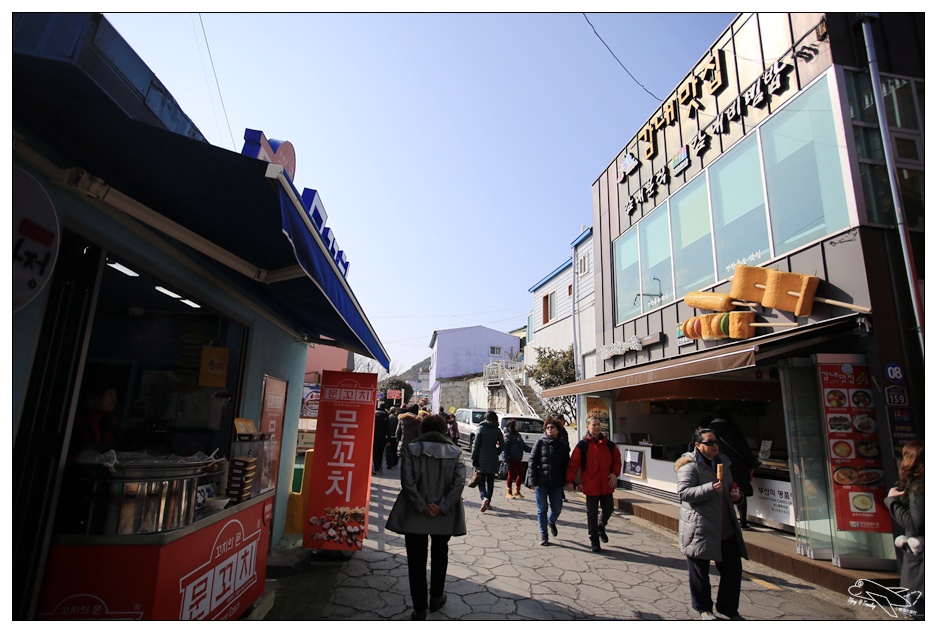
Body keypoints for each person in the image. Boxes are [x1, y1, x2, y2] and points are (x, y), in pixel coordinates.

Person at [385, 414, 467, 620]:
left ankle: (419, 608)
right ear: (443, 429)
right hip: (444, 515)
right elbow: (459, 483)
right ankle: (437, 597)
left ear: (423, 429)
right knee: (440, 554)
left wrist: (422, 505)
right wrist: (442, 506)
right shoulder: (456, 452)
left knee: (416, 560)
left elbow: (407, 482)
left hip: (414, 513)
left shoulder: (411, 449)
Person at [675, 427, 749, 621]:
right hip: (700, 527)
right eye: (709, 442)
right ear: (698, 445)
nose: (714, 445)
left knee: (733, 571)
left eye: (715, 442)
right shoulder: (689, 465)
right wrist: (710, 488)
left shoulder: (723, 462)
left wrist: (736, 496)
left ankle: (729, 608)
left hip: (726, 527)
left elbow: (730, 489)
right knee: (700, 573)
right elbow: (683, 493)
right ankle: (704, 609)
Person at [565, 416, 621, 553]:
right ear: (588, 427)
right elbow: (573, 464)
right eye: (593, 425)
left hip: (607, 484)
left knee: (608, 509)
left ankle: (601, 525)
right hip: (591, 485)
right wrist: (570, 481)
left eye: (598, 424)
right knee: (592, 514)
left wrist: (615, 473)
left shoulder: (609, 444)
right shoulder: (583, 445)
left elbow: (617, 461)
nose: (597, 427)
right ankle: (594, 540)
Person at [884, 440, 924, 620]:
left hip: (920, 566)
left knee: (916, 613)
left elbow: (915, 524)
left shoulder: (919, 488)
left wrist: (892, 502)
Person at [708, 411, 760, 529]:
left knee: (719, 491)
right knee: (738, 491)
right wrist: (751, 463)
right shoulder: (732, 428)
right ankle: (743, 521)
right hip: (736, 466)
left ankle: (723, 521)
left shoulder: (708, 431)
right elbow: (743, 447)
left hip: (715, 465)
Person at [528, 418, 570, 545]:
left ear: (558, 430)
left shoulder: (563, 445)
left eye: (552, 427)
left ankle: (551, 521)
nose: (550, 430)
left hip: (556, 483)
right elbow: (532, 461)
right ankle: (543, 535)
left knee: (557, 508)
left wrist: (568, 481)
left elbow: (567, 464)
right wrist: (532, 481)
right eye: (548, 428)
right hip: (541, 482)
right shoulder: (540, 443)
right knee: (542, 509)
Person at [71, 380, 121, 454]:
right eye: (109, 393)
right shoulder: (74, 421)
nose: (114, 399)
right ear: (92, 398)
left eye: (115, 394)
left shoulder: (112, 422)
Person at [471, 410, 504, 513]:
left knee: (481, 480)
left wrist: (474, 458)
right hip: (493, 458)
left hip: (481, 458)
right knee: (490, 481)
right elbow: (503, 445)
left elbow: (475, 446)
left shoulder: (480, 429)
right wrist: (496, 452)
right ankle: (488, 502)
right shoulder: (497, 430)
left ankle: (484, 497)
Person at [502, 419, 531, 499]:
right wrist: (505, 458)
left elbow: (524, 446)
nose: (518, 426)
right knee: (510, 475)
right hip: (510, 459)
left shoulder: (518, 435)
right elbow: (505, 448)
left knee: (521, 474)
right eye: (516, 425)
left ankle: (517, 490)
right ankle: (509, 492)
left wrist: (533, 449)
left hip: (518, 458)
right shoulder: (508, 436)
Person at [372, 402, 390, 474]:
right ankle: (379, 467)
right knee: (381, 452)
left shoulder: (374, 413)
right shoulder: (385, 415)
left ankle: (375, 467)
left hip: (374, 436)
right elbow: (388, 428)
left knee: (374, 452)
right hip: (383, 437)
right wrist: (388, 439)